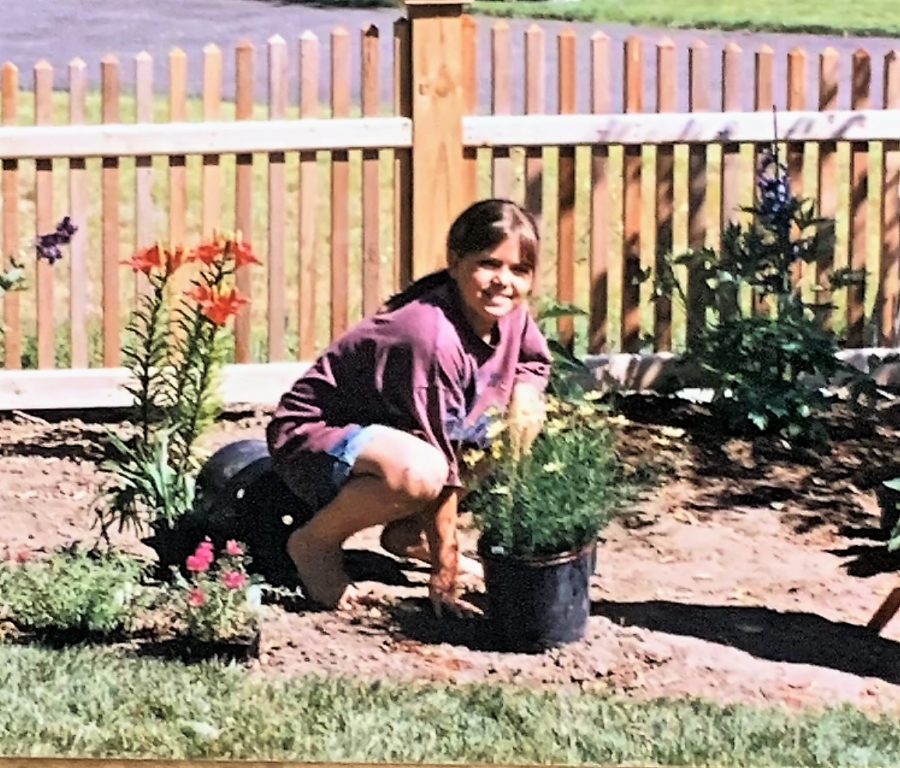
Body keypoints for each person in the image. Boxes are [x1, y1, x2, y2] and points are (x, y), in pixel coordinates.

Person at [266, 198, 552, 616]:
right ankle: (314, 544)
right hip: (314, 443)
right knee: (423, 474)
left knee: (506, 431)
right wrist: (446, 569)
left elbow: (532, 361)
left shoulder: (509, 316)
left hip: (393, 442)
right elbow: (442, 461)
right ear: (455, 262)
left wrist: (525, 398)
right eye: (489, 264)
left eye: (519, 270)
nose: (503, 281)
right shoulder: (430, 337)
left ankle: (409, 535)